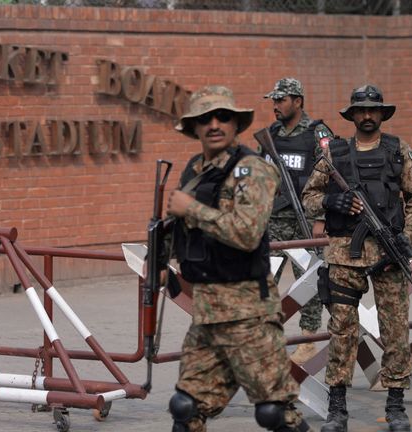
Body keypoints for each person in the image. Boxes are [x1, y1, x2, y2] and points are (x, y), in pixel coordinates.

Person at [165, 85, 310, 432]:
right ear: (195, 127)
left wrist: (193, 209)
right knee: (186, 408)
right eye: (205, 118)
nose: (214, 124)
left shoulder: (252, 170)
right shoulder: (195, 169)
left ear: (235, 124)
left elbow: (247, 234)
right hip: (207, 312)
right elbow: (180, 225)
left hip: (249, 316)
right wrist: (161, 259)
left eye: (223, 116)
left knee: (275, 413)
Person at [302, 84, 412, 432]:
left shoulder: (398, 150)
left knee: (396, 331)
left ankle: (396, 405)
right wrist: (331, 202)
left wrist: (405, 236)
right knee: (341, 330)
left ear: (382, 114)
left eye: (374, 110)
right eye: (361, 110)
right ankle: (337, 408)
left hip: (389, 256)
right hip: (344, 254)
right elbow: (309, 196)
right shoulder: (334, 155)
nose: (367, 116)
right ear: (352, 115)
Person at [262, 78, 333, 364]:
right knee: (264, 281)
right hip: (273, 220)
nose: (275, 105)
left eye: (281, 100)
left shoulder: (317, 133)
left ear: (298, 101)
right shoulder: (270, 134)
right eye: (274, 100)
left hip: (305, 219)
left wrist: (320, 218)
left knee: (310, 280)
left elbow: (333, 177)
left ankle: (307, 339)